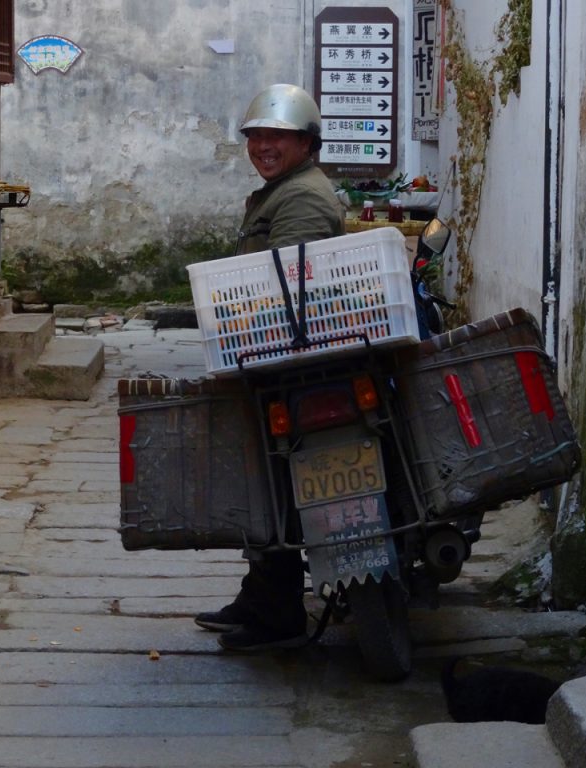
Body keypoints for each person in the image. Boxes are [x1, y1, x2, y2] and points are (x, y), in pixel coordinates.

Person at [196, 83, 345, 652]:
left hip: (290, 362)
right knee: (266, 478)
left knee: (274, 480)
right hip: (272, 356)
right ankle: (261, 595)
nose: (263, 145)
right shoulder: (281, 191)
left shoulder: (302, 198)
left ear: (307, 142)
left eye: (277, 136)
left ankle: (276, 608)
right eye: (256, 136)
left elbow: (287, 284)